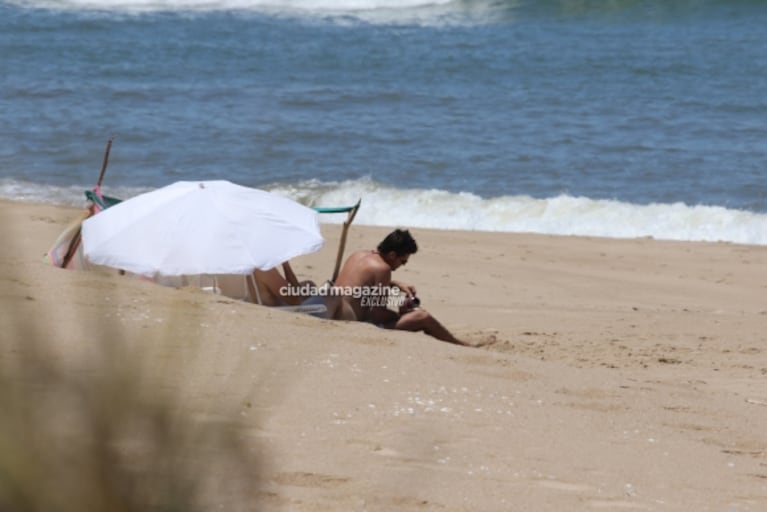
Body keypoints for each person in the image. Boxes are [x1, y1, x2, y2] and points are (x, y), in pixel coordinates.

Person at [333, 228, 479, 346]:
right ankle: (460, 345)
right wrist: (402, 315)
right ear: (392, 255)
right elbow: (377, 314)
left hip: (335, 310)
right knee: (422, 316)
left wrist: (395, 284)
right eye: (402, 261)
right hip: (350, 321)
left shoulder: (359, 255)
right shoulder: (383, 269)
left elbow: (361, 283)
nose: (402, 265)